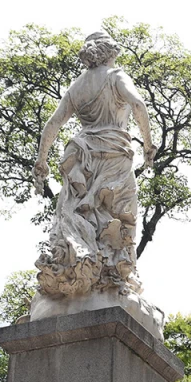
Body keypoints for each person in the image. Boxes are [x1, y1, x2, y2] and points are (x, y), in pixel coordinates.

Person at [31, 31, 156, 300]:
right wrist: (148, 144)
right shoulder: (115, 76)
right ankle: (115, 277)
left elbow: (52, 125)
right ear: (110, 51)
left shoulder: (78, 86)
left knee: (83, 213)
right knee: (122, 214)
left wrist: (41, 161)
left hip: (82, 153)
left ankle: (87, 269)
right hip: (114, 152)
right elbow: (137, 103)